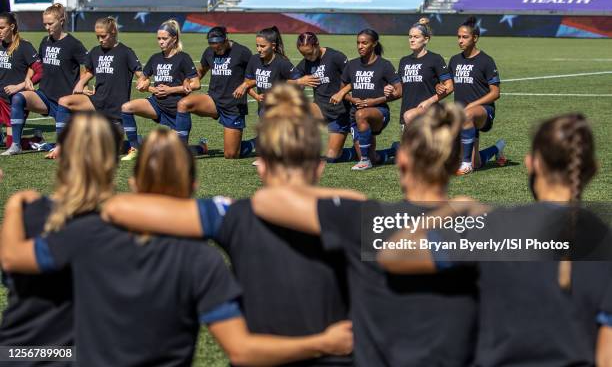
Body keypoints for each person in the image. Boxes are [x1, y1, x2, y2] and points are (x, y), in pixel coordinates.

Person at [1, 115, 353, 367]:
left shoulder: (230, 218)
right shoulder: (203, 258)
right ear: (320, 167)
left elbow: (14, 259)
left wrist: (16, 206)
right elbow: (241, 349)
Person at [102, 85, 356, 366]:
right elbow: (412, 243)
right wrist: (344, 204)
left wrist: (265, 204)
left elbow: (118, 207)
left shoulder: (234, 215)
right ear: (319, 167)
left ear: (261, 166)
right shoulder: (351, 216)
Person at [250, 103, 478, 366]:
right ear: (455, 159)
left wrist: (355, 200)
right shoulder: (478, 227)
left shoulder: (362, 219)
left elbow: (268, 200)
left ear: (401, 159)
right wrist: (456, 208)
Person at [378, 113, 612, 366]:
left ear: (532, 163)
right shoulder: (605, 240)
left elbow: (393, 254)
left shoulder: (495, 227)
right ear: (593, 169)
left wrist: (454, 208)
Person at [0, 112, 121, 365]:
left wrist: (13, 207)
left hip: (17, 353)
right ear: (112, 160)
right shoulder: (123, 227)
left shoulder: (28, 214)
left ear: (60, 154)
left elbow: (8, 267)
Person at [2, 3, 87, 157]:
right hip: (45, 96)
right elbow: (36, 65)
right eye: (45, 24)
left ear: (61, 21)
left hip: (65, 101)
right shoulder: (45, 41)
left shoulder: (73, 44)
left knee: (80, 144)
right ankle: (15, 145)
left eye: (50, 24)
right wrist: (28, 78)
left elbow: (89, 64)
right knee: (18, 98)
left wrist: (82, 83)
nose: (47, 27)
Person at [120, 19, 200, 161]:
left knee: (174, 153)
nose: (161, 42)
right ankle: (134, 147)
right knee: (126, 107)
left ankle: (201, 147)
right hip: (156, 104)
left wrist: (171, 90)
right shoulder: (155, 58)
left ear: (174, 39)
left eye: (164, 38)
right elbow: (142, 79)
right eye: (159, 39)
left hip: (177, 110)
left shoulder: (183, 58)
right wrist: (148, 87)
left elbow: (196, 84)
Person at [174, 26, 256, 159]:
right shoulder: (209, 52)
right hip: (213, 100)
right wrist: (188, 80)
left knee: (231, 154)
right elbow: (201, 71)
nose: (216, 49)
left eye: (219, 46)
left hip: (233, 106)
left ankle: (257, 142)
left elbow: (257, 72)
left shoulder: (242, 52)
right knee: (183, 104)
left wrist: (245, 85)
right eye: (213, 46)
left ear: (226, 39)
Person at [56, 17, 142, 136]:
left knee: (107, 148)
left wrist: (143, 82)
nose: (100, 40)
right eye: (97, 37)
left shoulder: (126, 52)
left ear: (113, 33)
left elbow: (139, 74)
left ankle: (137, 143)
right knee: (64, 101)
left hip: (116, 108)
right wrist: (82, 84)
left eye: (103, 36)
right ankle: (61, 144)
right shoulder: (95, 51)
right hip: (97, 102)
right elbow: (89, 71)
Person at [331, 29, 402, 170]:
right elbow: (342, 91)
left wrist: (374, 102)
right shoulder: (352, 65)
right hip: (355, 114)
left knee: (361, 114)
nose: (360, 46)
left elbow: (399, 91)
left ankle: (364, 161)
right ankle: (393, 151)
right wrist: (352, 100)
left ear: (374, 44)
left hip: (378, 112)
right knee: (373, 157)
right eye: (358, 43)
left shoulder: (384, 65)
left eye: (364, 43)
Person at [447, 16, 506, 175]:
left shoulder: (486, 61)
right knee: (477, 162)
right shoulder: (454, 60)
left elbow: (495, 93)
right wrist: (440, 87)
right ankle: (497, 148)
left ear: (475, 38)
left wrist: (471, 106)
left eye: (465, 37)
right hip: (464, 115)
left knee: (467, 115)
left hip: (484, 112)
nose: (460, 40)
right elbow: (449, 86)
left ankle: (465, 164)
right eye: (458, 37)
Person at [294, 32, 356, 163]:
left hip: (339, 112)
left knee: (332, 157)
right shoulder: (305, 63)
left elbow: (355, 78)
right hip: (319, 109)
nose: (307, 57)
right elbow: (289, 81)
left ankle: (355, 152)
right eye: (303, 54)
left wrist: (341, 93)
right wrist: (299, 82)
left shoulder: (335, 57)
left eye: (309, 53)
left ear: (317, 45)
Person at [398, 18, 453, 130]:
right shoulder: (404, 61)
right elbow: (400, 87)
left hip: (428, 113)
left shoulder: (435, 59)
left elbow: (450, 86)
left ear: (426, 39)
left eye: (416, 37)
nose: (412, 40)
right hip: (407, 113)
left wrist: (429, 101)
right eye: (410, 37)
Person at [0, 11, 43, 152]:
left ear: (11, 27)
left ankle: (36, 141)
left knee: (10, 144)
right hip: (0, 99)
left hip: (14, 102)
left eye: (2, 28)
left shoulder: (24, 46)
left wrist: (20, 86)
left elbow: (40, 71)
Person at [238, 26, 300, 114]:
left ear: (273, 46)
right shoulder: (254, 60)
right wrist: (256, 96)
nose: (259, 49)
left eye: (263, 46)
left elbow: (299, 83)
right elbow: (247, 83)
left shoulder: (282, 62)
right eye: (257, 46)